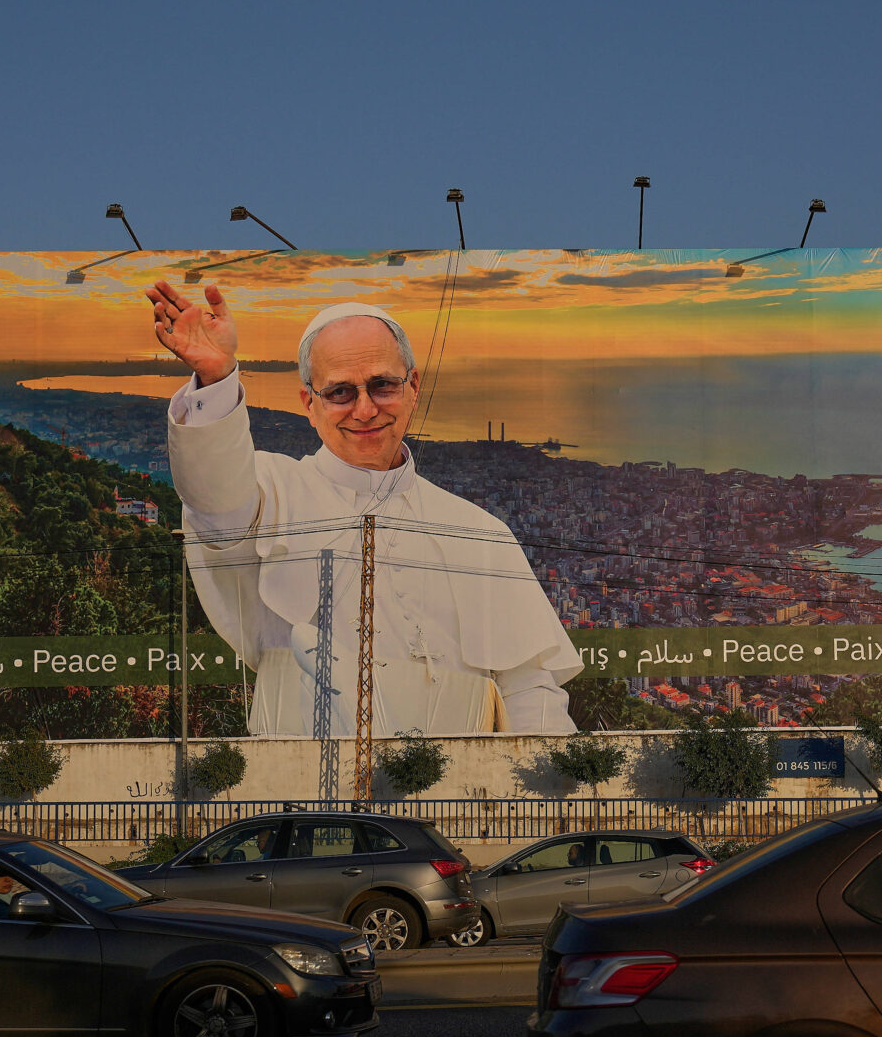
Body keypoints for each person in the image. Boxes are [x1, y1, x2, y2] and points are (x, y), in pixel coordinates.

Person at [145, 282, 581, 736]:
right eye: (340, 392)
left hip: (458, 781)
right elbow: (215, 498)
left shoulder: (481, 531)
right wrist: (216, 381)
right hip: (303, 775)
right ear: (309, 404)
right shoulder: (272, 491)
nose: (366, 410)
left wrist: (550, 777)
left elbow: (530, 690)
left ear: (413, 387)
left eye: (382, 385)